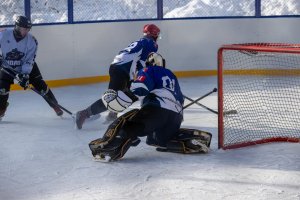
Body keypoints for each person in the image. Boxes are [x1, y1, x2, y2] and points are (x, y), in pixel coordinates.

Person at [89, 53, 212, 162]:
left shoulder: (149, 70)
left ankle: (109, 151)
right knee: (156, 140)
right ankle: (191, 139)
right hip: (176, 118)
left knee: (128, 126)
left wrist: (122, 99)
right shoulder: (172, 75)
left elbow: (140, 88)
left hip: (156, 112)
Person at [75, 24, 160, 129]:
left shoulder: (141, 41)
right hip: (124, 69)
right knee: (118, 97)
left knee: (123, 95)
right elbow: (143, 62)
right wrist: (147, 76)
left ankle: (111, 114)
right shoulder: (151, 43)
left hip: (117, 66)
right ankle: (84, 114)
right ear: (154, 34)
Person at [0, 15, 63, 121]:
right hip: (8, 66)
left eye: (27, 29)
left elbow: (29, 60)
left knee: (40, 84)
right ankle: (1, 110)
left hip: (26, 65)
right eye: (23, 29)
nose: (25, 32)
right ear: (17, 27)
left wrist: (25, 75)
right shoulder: (3, 34)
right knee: (2, 88)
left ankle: (55, 105)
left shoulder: (32, 41)